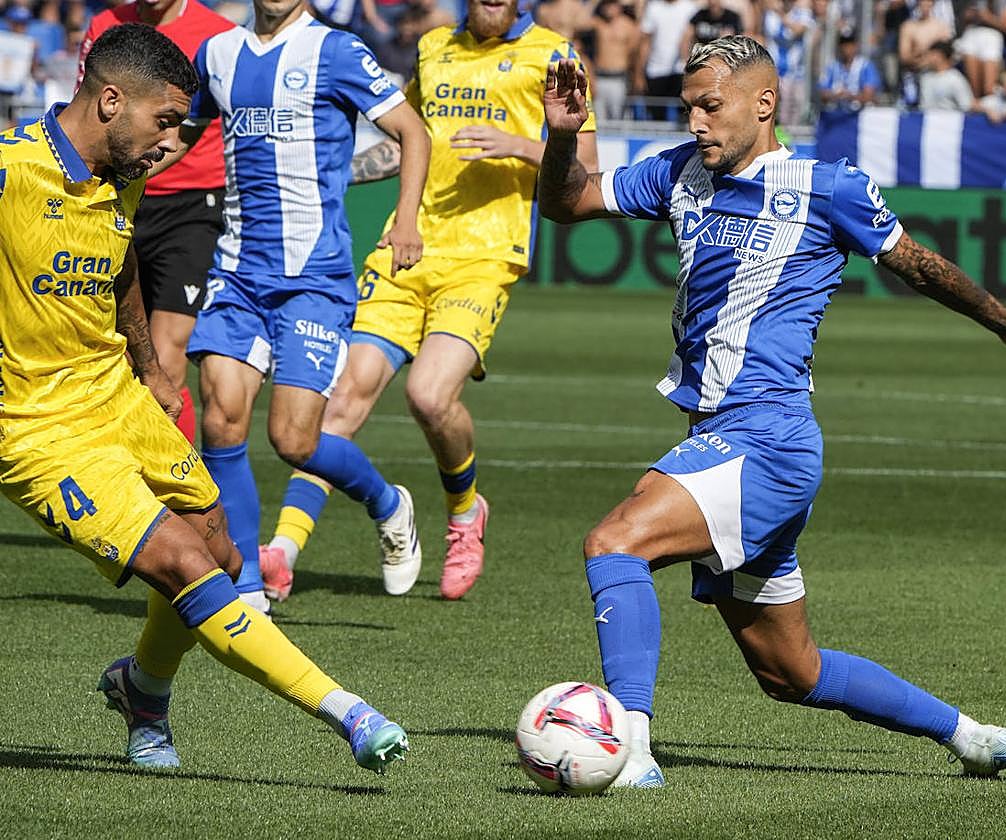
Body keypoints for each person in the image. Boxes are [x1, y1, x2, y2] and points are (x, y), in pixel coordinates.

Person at [539, 35, 1006, 788]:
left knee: (614, 542)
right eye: (690, 106)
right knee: (790, 673)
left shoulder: (827, 187)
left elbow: (916, 262)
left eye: (711, 107)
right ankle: (971, 736)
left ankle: (629, 748)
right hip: (725, 438)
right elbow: (566, 204)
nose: (695, 122)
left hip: (767, 437)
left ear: (765, 103)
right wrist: (563, 139)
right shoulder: (679, 174)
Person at [0, 22, 408, 775]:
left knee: (217, 543)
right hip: (37, 430)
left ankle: (142, 691)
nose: (169, 144)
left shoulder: (125, 171)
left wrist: (152, 366)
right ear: (111, 100)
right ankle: (349, 712)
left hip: (118, 399)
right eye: (164, 123)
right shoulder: (10, 173)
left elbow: (120, 267)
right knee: (189, 564)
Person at [259, 0, 599, 602]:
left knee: (429, 396)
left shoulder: (555, 54)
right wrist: (338, 172)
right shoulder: (434, 46)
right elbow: (404, 143)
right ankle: (281, 553)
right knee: (340, 400)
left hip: (485, 257)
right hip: (406, 244)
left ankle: (465, 514)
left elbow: (588, 169)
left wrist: (518, 144)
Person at [165, 0, 431, 612]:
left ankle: (387, 503)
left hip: (313, 276)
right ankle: (247, 585)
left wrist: (407, 219)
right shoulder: (218, 54)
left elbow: (412, 131)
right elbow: (180, 133)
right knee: (220, 419)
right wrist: (121, 170)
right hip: (236, 272)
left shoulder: (335, 51)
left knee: (293, 440)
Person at [76, 0, 235, 445]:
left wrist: (143, 168)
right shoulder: (106, 24)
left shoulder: (218, 35)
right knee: (120, 356)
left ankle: (176, 491)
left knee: (164, 360)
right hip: (120, 202)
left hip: (191, 208)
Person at [638, 0, 698, 119]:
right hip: (656, 69)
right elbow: (645, 42)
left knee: (684, 115)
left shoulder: (690, 8)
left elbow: (693, 38)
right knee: (656, 116)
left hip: (681, 70)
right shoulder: (654, 7)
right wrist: (639, 73)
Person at [590, 0, 641, 121]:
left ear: (619, 5)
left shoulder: (629, 26)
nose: (608, 8)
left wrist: (635, 79)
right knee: (599, 119)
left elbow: (635, 55)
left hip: (619, 79)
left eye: (611, 4)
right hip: (600, 78)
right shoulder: (598, 23)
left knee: (618, 118)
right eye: (605, 4)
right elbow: (579, 23)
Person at [898, 0, 952, 107]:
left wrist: (926, 56)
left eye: (928, 3)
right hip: (914, 76)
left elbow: (946, 56)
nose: (925, 7)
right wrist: (921, 56)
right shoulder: (908, 27)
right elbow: (904, 56)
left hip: (936, 77)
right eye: (922, 3)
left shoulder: (941, 27)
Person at [817, 31, 881, 111]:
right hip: (836, 114)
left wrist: (849, 96)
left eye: (850, 44)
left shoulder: (865, 66)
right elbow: (822, 92)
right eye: (843, 44)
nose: (846, 48)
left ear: (856, 45)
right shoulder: (832, 66)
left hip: (858, 115)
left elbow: (869, 96)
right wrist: (836, 95)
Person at [919, 39, 975, 110]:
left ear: (939, 56)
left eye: (931, 54)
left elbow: (966, 105)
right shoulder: (925, 77)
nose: (927, 58)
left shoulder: (955, 78)